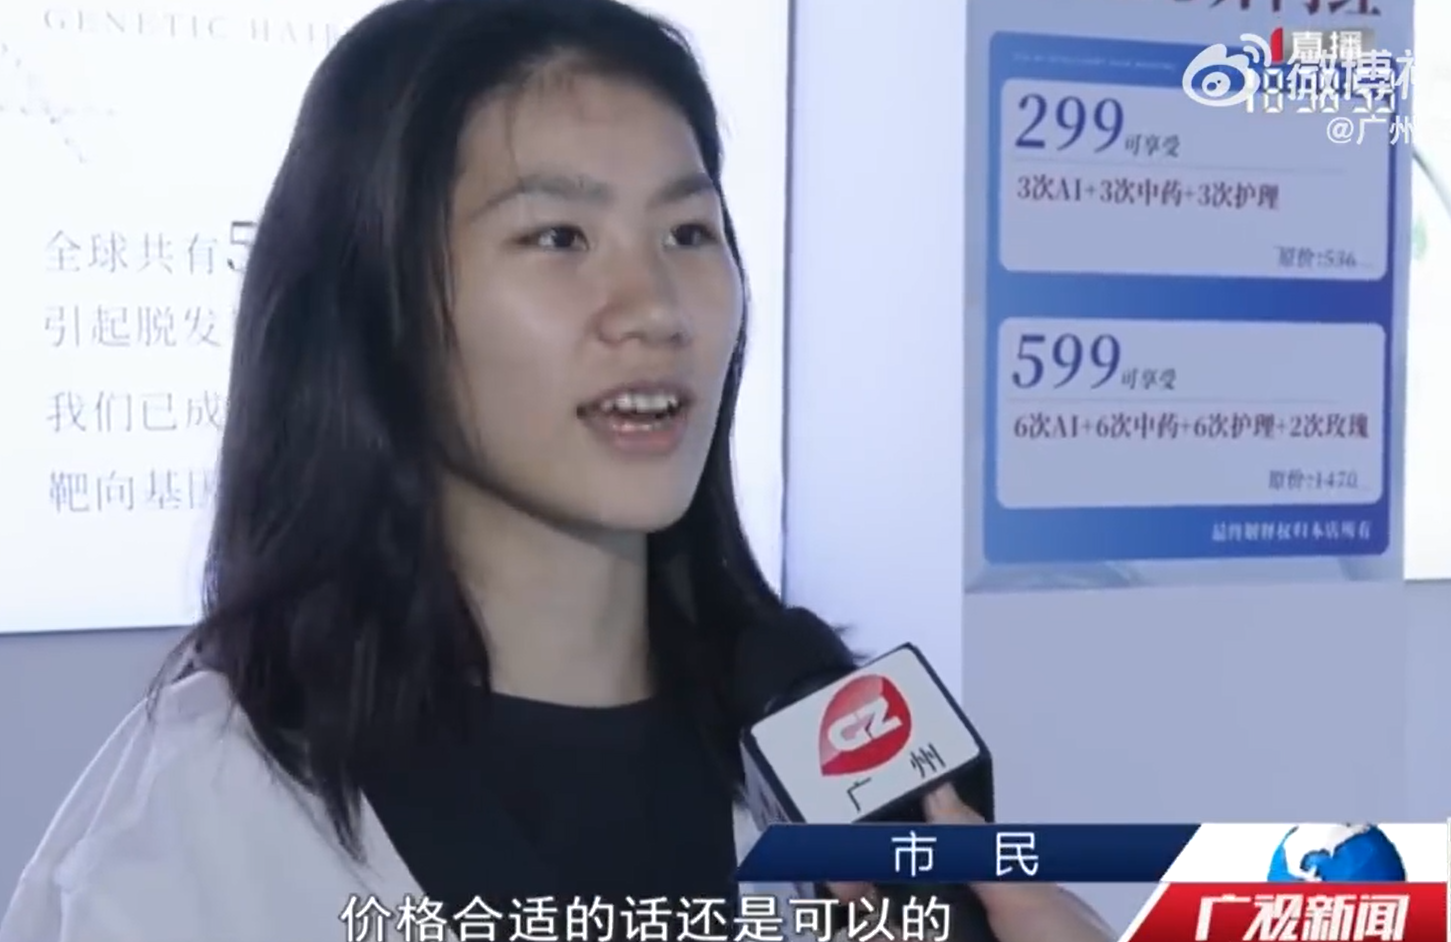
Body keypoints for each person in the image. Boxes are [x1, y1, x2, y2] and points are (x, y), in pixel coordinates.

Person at [0, 1, 1112, 940]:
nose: (657, 311)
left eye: (688, 233)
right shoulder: (204, 825)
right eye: (559, 239)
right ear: (377, 304)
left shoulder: (836, 763)